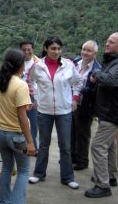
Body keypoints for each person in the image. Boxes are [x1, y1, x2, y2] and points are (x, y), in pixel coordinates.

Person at [28, 36, 82, 189]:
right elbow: (31, 81)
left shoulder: (69, 65)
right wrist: (37, 97)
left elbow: (78, 82)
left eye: (58, 48)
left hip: (64, 110)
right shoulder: (37, 66)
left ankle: (67, 177)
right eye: (53, 48)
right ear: (46, 49)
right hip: (44, 110)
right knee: (44, 144)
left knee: (65, 145)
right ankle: (39, 174)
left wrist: (75, 98)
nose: (56, 51)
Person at [85, 32, 118, 198]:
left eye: (111, 42)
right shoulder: (112, 61)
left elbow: (110, 80)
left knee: (97, 146)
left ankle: (102, 185)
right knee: (109, 145)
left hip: (112, 113)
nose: (107, 43)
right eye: (108, 40)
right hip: (107, 111)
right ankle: (110, 176)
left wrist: (96, 74)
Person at [0, 49, 36, 204]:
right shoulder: (21, 85)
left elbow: (9, 105)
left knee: (6, 168)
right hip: (17, 136)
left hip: (1, 133)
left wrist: (26, 106)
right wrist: (30, 142)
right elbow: (21, 117)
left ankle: (4, 201)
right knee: (24, 172)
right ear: (21, 65)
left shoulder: (0, 82)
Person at [71, 40, 101, 170]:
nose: (85, 52)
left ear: (95, 53)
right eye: (84, 49)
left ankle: (82, 161)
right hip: (70, 103)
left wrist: (84, 90)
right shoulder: (75, 63)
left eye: (89, 50)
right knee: (71, 132)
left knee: (82, 134)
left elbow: (97, 91)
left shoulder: (97, 69)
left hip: (85, 106)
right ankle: (72, 157)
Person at [20, 41, 40, 149]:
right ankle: (22, 146)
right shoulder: (17, 62)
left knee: (32, 122)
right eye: (24, 50)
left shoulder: (38, 64)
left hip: (31, 96)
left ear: (32, 50)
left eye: (29, 49)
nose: (27, 52)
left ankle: (33, 147)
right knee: (20, 120)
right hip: (18, 95)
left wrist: (37, 98)